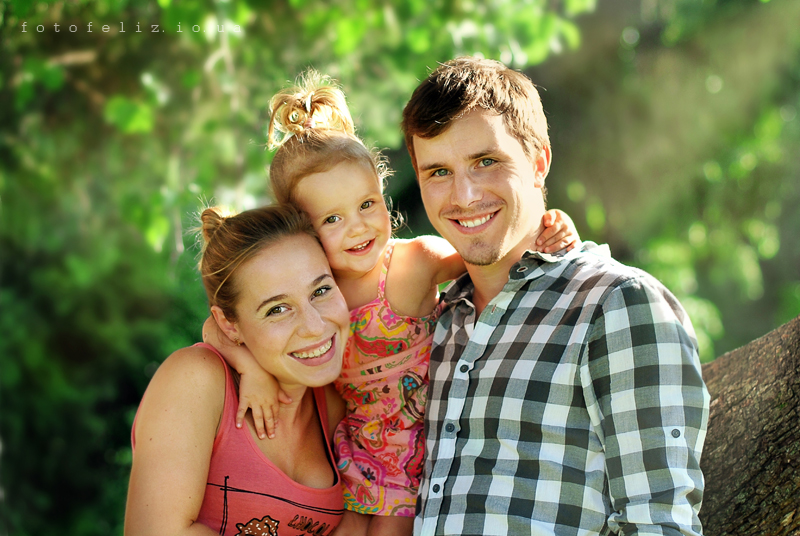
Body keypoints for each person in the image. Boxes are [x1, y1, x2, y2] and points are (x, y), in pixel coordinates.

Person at [205, 72, 582, 536]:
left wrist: (551, 224)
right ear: (300, 228)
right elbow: (217, 328)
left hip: (419, 450)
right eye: (332, 219)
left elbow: (494, 249)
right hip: (350, 450)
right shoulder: (313, 294)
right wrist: (253, 370)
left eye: (367, 204)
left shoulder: (413, 263)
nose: (358, 227)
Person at [400, 57, 711, 536]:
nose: (464, 195)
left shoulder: (617, 304)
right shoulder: (435, 321)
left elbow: (659, 522)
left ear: (539, 162)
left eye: (486, 162)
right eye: (438, 171)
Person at [124, 204, 350, 536]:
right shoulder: (196, 380)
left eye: (321, 290)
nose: (315, 326)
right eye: (277, 309)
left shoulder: (334, 400)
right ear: (229, 325)